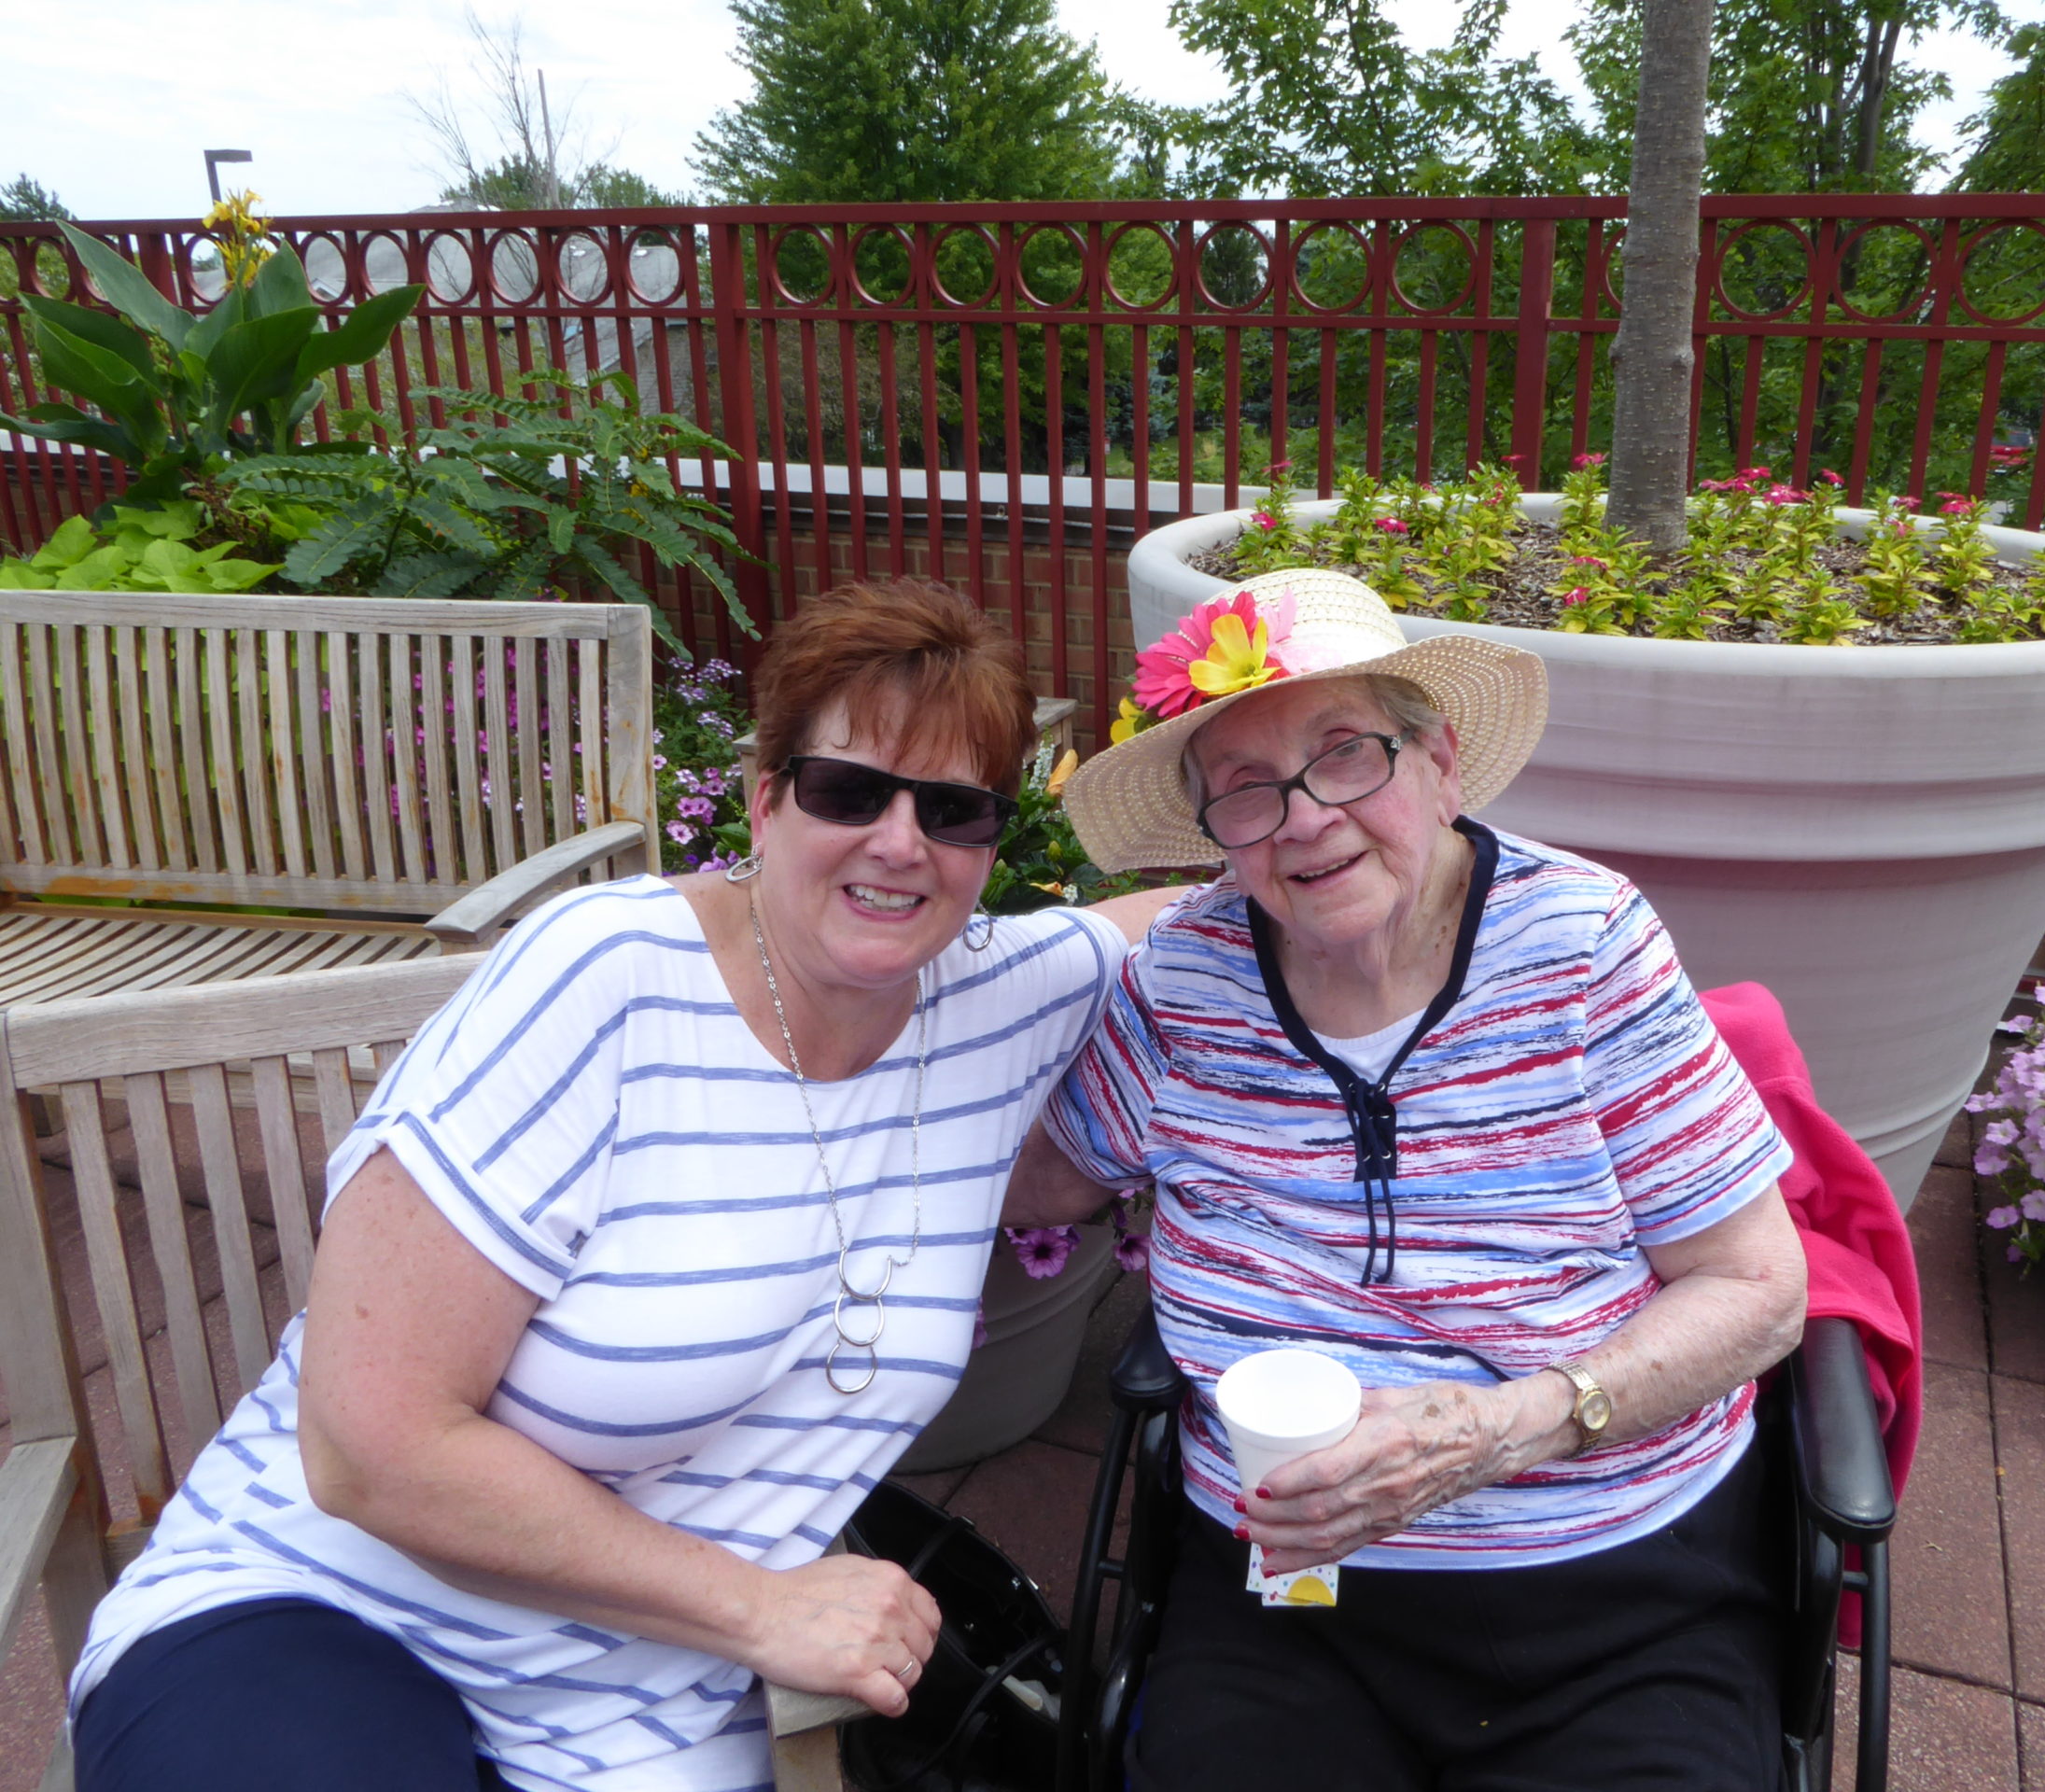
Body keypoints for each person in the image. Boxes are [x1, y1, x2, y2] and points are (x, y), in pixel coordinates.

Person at [68, 579, 1175, 1792]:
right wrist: (757, 1608)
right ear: (764, 801)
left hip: (647, 1707)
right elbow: (371, 1451)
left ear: (990, 843)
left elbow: (1225, 911)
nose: (900, 842)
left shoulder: (1002, 994)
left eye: (953, 809)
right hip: (339, 1614)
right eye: (848, 791)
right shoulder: (604, 978)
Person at [1017, 568, 1812, 1790]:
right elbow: (1048, 1186)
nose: (1306, 819)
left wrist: (1508, 1427)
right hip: (1282, 1586)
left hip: (1609, 1581)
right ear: (1216, 836)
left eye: (1347, 756)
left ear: (1440, 762)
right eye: (1247, 791)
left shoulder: (1584, 947)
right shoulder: (1184, 983)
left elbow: (1757, 1287)